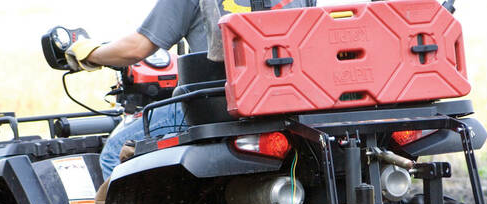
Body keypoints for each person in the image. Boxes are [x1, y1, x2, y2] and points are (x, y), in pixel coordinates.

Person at [65, 0, 312, 181]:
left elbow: (136, 49)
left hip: (220, 104)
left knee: (114, 150)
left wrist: (89, 55)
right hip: (298, 102)